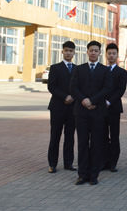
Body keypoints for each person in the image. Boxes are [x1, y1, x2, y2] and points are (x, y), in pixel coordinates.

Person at [70, 41, 112, 185]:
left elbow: (107, 89)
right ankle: (82, 174)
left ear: (100, 53)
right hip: (81, 112)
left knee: (96, 144)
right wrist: (83, 100)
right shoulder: (79, 69)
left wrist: (92, 101)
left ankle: (94, 175)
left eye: (96, 50)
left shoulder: (105, 70)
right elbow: (73, 88)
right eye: (91, 50)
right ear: (87, 52)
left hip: (98, 112)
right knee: (82, 143)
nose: (93, 53)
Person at [47, 40, 77, 173]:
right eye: (66, 51)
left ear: (74, 53)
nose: (68, 53)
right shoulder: (55, 68)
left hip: (73, 108)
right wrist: (65, 97)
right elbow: (51, 87)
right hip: (57, 107)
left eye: (71, 51)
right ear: (62, 52)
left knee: (70, 136)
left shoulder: (77, 69)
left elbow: (79, 87)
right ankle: (52, 164)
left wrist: (73, 97)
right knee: (55, 136)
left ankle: (68, 163)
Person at [103, 43, 127, 172]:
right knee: (102, 135)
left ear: (117, 55)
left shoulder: (122, 72)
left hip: (114, 108)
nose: (111, 56)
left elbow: (120, 90)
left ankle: (113, 162)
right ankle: (104, 161)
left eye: (114, 53)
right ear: (106, 55)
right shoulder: (101, 70)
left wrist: (109, 102)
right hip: (101, 108)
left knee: (114, 135)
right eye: (109, 53)